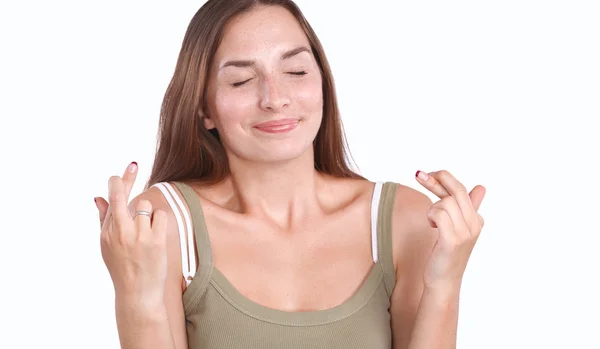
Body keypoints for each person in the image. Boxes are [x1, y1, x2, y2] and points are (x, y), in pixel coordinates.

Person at [94, 0, 486, 348]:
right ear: (204, 108)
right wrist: (136, 296)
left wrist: (445, 283)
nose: (275, 98)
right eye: (242, 80)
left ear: (322, 84)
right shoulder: (163, 223)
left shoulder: (406, 220)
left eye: (296, 71)